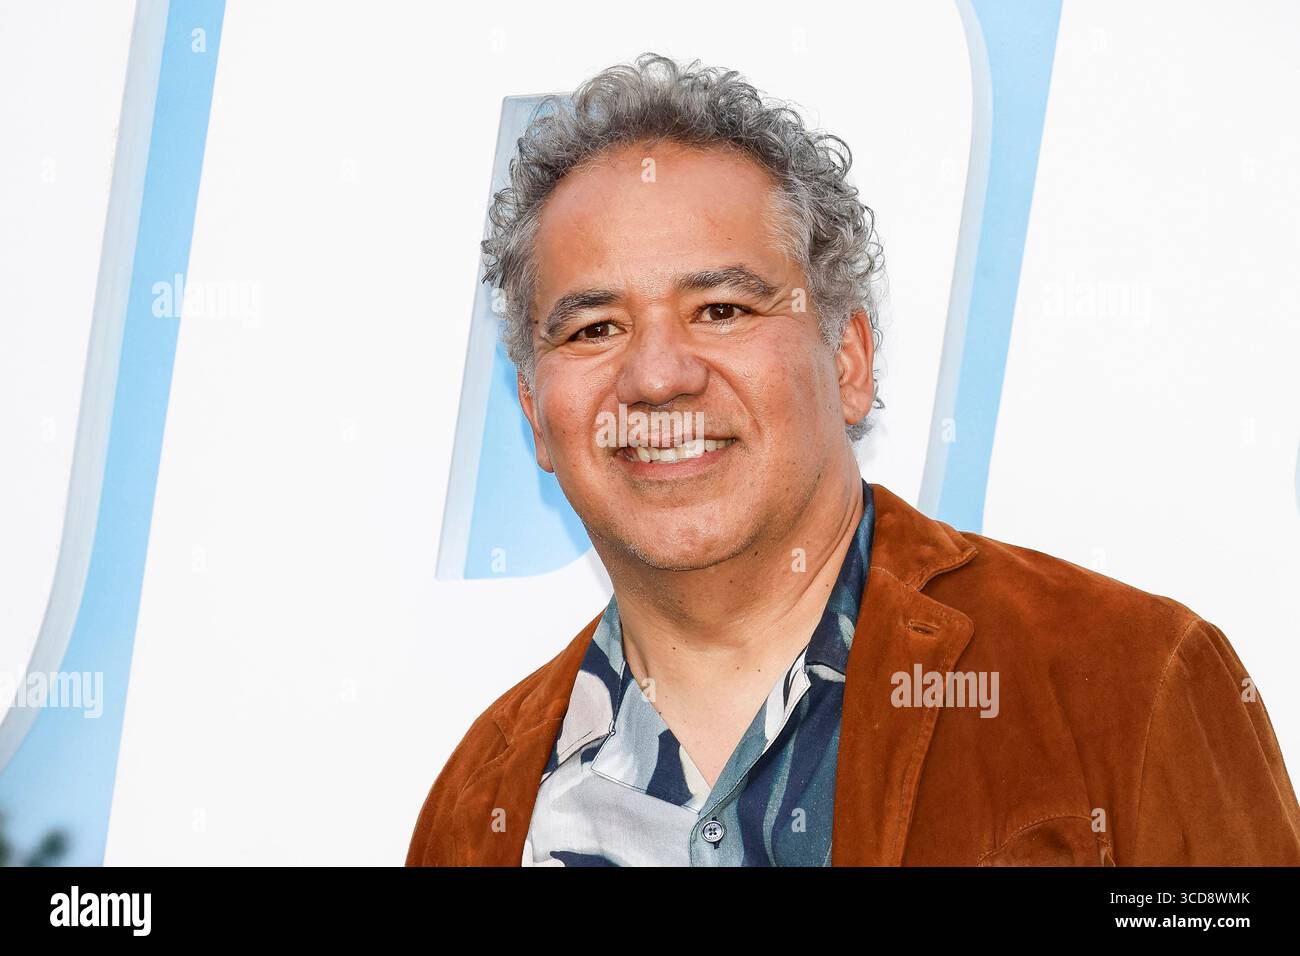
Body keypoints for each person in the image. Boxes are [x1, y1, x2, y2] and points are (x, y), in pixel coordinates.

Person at [407, 53, 1300, 866]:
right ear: (534, 412)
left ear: (849, 363)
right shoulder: (476, 807)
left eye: (722, 308)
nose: (658, 375)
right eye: (594, 328)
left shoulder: (1126, 684)